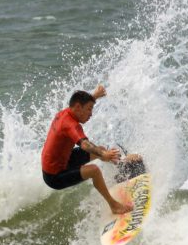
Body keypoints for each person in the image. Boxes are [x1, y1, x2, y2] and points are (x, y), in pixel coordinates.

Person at [41, 84, 134, 214]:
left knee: (100, 149)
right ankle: (114, 206)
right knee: (94, 170)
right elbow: (85, 145)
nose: (91, 114)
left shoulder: (66, 112)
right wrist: (103, 154)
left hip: (62, 159)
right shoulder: (70, 125)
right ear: (78, 107)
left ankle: (122, 167)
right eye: (89, 109)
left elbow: (80, 103)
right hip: (55, 175)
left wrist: (94, 96)